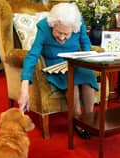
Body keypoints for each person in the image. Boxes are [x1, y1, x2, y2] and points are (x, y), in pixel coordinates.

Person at [18, 3, 98, 139]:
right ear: (52, 24)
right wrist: (24, 86)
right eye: (58, 32)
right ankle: (78, 121)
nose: (62, 38)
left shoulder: (78, 24)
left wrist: (87, 61)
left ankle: (89, 120)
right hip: (55, 65)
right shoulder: (44, 26)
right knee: (72, 84)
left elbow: (85, 44)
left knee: (88, 80)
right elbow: (33, 55)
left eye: (66, 34)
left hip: (75, 61)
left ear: (73, 29)